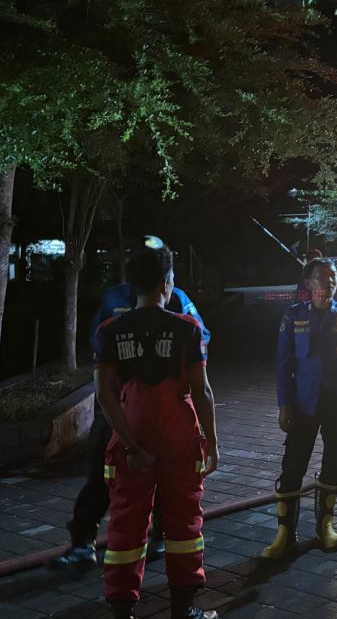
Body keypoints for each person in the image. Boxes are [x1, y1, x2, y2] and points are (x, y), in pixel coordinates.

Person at [54, 235, 210, 570]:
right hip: (117, 411)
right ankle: (83, 542)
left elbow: (201, 339)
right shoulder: (113, 301)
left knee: (167, 479)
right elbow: (99, 344)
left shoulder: (179, 301)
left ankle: (161, 538)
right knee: (101, 473)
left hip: (162, 412)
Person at [94, 242, 220, 619]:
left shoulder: (110, 331)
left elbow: (105, 396)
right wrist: (211, 442)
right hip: (179, 437)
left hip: (131, 435)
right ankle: (183, 609)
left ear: (133, 284)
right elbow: (203, 391)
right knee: (183, 522)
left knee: (126, 525)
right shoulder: (187, 329)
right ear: (166, 283)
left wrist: (131, 446)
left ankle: (122, 609)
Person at [262, 258, 337, 560]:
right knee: (293, 465)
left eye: (332, 277)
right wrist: (284, 404)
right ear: (308, 284)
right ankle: (285, 535)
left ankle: (325, 527)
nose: (328, 283)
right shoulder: (293, 315)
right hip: (302, 403)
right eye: (321, 278)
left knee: (335, 462)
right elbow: (283, 364)